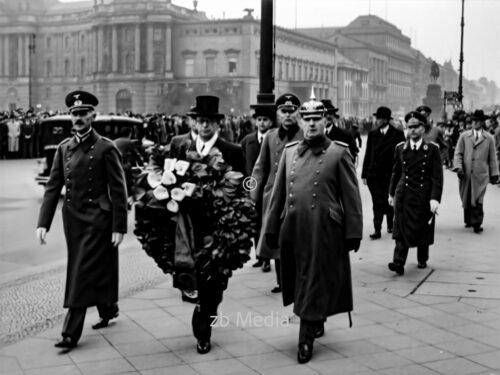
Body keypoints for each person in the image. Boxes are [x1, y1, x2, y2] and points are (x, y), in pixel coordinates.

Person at [263, 95, 362, 364]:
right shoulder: (290, 151)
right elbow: (278, 195)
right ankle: (317, 317)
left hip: (324, 229)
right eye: (306, 119)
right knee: (300, 279)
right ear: (300, 121)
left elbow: (351, 196)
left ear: (326, 120)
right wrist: (271, 227)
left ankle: (305, 339)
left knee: (313, 279)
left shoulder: (338, 152)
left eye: (317, 118)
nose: (311, 124)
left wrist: (354, 231)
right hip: (294, 228)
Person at [36, 90, 128, 349]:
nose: (78, 118)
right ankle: (108, 308)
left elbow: (119, 190)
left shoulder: (106, 147)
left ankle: (70, 332)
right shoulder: (64, 148)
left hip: (98, 219)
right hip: (73, 221)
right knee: (89, 267)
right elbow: (53, 187)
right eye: (74, 114)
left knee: (80, 271)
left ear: (92, 116)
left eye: (83, 113)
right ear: (69, 116)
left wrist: (118, 226)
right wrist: (43, 223)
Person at [177, 95, 245, 354]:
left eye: (209, 122)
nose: (204, 127)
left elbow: (246, 182)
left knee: (215, 283)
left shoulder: (232, 151)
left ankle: (205, 311)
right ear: (193, 123)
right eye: (200, 121)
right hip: (190, 226)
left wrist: (244, 198)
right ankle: (203, 327)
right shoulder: (181, 146)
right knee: (195, 275)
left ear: (218, 124)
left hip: (220, 227)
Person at [251, 93, 303, 294]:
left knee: (297, 239)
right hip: (273, 197)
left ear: (298, 113)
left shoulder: (305, 136)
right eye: (284, 111)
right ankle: (282, 281)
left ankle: (298, 278)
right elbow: (258, 169)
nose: (288, 115)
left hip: (298, 195)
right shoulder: (270, 137)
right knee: (277, 239)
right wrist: (251, 195)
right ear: (278, 114)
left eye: (292, 111)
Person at [387, 111, 443, 275]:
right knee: (400, 227)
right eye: (409, 127)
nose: (412, 130)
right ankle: (398, 262)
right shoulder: (400, 148)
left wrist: (434, 198)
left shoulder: (432, 149)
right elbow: (395, 173)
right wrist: (391, 194)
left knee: (422, 227)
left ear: (423, 128)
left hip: (423, 194)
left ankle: (422, 258)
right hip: (403, 193)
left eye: (416, 126)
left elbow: (437, 177)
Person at [241, 104, 275, 272]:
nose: (262, 123)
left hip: (268, 187)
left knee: (266, 222)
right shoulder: (248, 140)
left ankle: (267, 257)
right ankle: (259, 256)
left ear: (271, 122)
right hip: (251, 187)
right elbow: (242, 165)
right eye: (259, 120)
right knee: (254, 224)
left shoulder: (274, 139)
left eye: (265, 120)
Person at [362, 106, 405, 239]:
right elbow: (368, 154)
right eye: (377, 118)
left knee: (389, 200)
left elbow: (402, 155)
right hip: (374, 175)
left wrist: (401, 172)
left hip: (390, 174)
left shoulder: (397, 134)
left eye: (380, 118)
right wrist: (364, 174)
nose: (377, 120)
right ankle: (377, 229)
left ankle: (390, 225)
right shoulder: (372, 134)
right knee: (377, 202)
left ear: (386, 120)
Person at [453, 110, 499, 233]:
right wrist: (458, 167)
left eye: (477, 121)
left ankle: (477, 223)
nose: (474, 123)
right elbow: (458, 153)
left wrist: (494, 174)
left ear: (482, 122)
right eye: (473, 121)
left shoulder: (489, 138)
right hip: (465, 173)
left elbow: (493, 158)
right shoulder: (464, 136)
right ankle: (468, 219)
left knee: (478, 199)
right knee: (467, 197)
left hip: (481, 175)